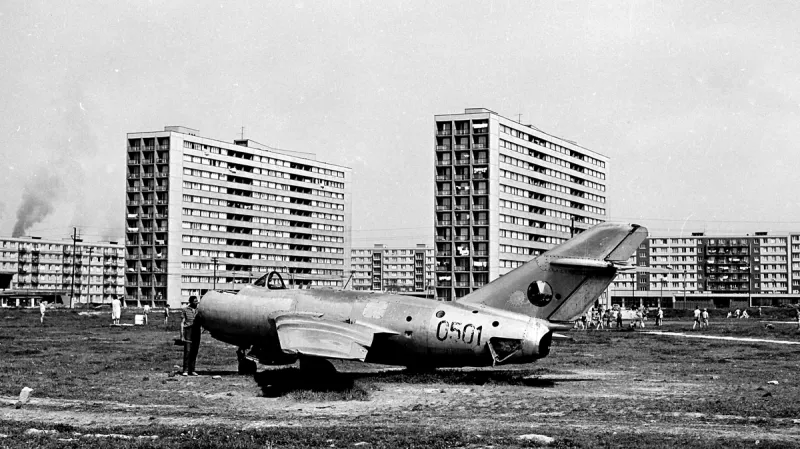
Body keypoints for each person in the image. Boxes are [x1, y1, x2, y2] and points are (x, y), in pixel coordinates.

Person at [180, 296, 202, 376]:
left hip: (196, 331)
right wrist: (182, 335)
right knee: (188, 350)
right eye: (195, 301)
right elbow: (182, 323)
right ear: (191, 302)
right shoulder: (185, 310)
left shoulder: (199, 310)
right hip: (188, 330)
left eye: (197, 301)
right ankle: (185, 370)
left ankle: (192, 369)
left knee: (195, 351)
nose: (196, 303)